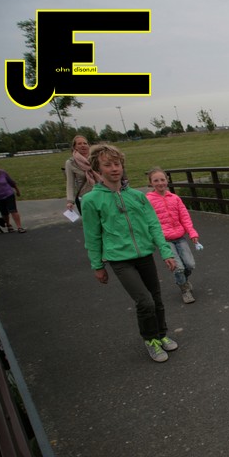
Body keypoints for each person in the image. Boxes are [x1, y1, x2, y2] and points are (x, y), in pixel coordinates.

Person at [81, 144, 179, 363]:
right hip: (120, 259)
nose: (114, 168)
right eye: (108, 165)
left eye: (117, 164)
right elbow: (92, 235)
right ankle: (150, 340)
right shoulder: (91, 200)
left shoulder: (137, 196)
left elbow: (153, 225)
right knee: (145, 301)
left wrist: (166, 252)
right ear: (98, 168)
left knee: (156, 298)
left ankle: (161, 334)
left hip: (144, 254)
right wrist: (97, 265)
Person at [145, 167, 200, 304]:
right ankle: (185, 289)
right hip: (164, 240)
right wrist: (152, 238)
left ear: (167, 180)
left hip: (180, 237)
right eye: (156, 180)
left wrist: (192, 232)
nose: (160, 183)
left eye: (162, 179)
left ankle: (183, 280)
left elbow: (184, 217)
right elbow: (147, 221)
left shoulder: (175, 198)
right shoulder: (148, 200)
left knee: (190, 265)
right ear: (151, 183)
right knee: (178, 267)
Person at [64, 134, 98, 215]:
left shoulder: (95, 159)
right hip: (85, 198)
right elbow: (70, 183)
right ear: (75, 147)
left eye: (85, 143)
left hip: (100, 194)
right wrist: (70, 201)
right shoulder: (71, 163)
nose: (83, 145)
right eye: (79, 144)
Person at [0, 164, 25, 233]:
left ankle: (19, 227)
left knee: (13, 210)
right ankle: (8, 225)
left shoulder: (2, 172)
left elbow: (11, 182)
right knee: (4, 213)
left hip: (8, 194)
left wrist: (17, 190)